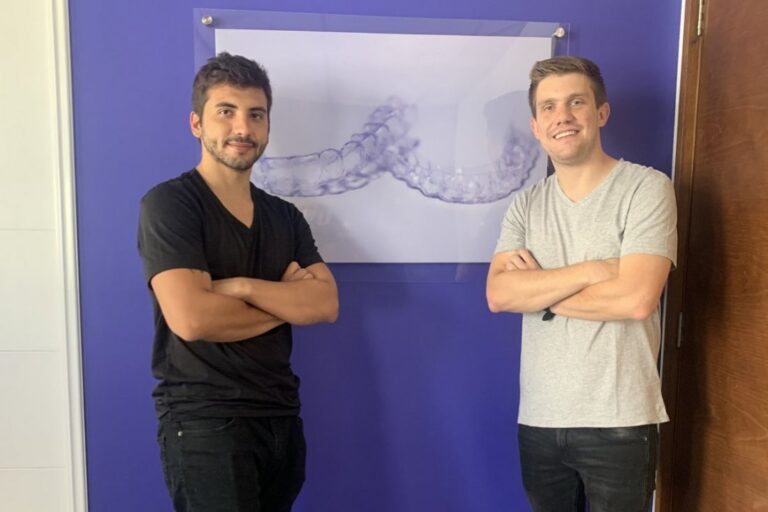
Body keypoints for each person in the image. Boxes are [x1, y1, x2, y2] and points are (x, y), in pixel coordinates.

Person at [138, 52, 339, 512]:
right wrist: (287, 301)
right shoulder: (170, 205)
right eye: (225, 112)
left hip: (281, 417)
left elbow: (326, 304)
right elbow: (192, 319)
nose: (242, 128)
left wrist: (242, 287)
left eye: (256, 114)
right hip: (206, 422)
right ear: (196, 123)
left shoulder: (285, 216)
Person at [486, 56, 677, 512]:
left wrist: (539, 293)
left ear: (601, 112)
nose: (563, 117)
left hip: (621, 420)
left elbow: (636, 299)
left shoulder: (646, 189)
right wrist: (594, 270)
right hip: (539, 418)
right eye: (549, 107)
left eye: (576, 102)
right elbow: (499, 295)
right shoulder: (525, 205)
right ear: (536, 127)